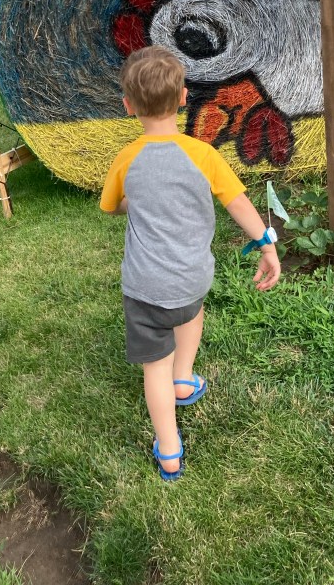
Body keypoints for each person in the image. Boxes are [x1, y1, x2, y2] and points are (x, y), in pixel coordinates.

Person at [100, 45, 281, 481]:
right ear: (183, 98)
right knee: (191, 314)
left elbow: (112, 206)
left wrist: (136, 202)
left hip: (145, 286)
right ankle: (184, 378)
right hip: (192, 280)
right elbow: (238, 204)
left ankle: (169, 450)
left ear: (128, 106)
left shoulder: (126, 158)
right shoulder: (203, 155)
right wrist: (267, 245)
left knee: (154, 369)